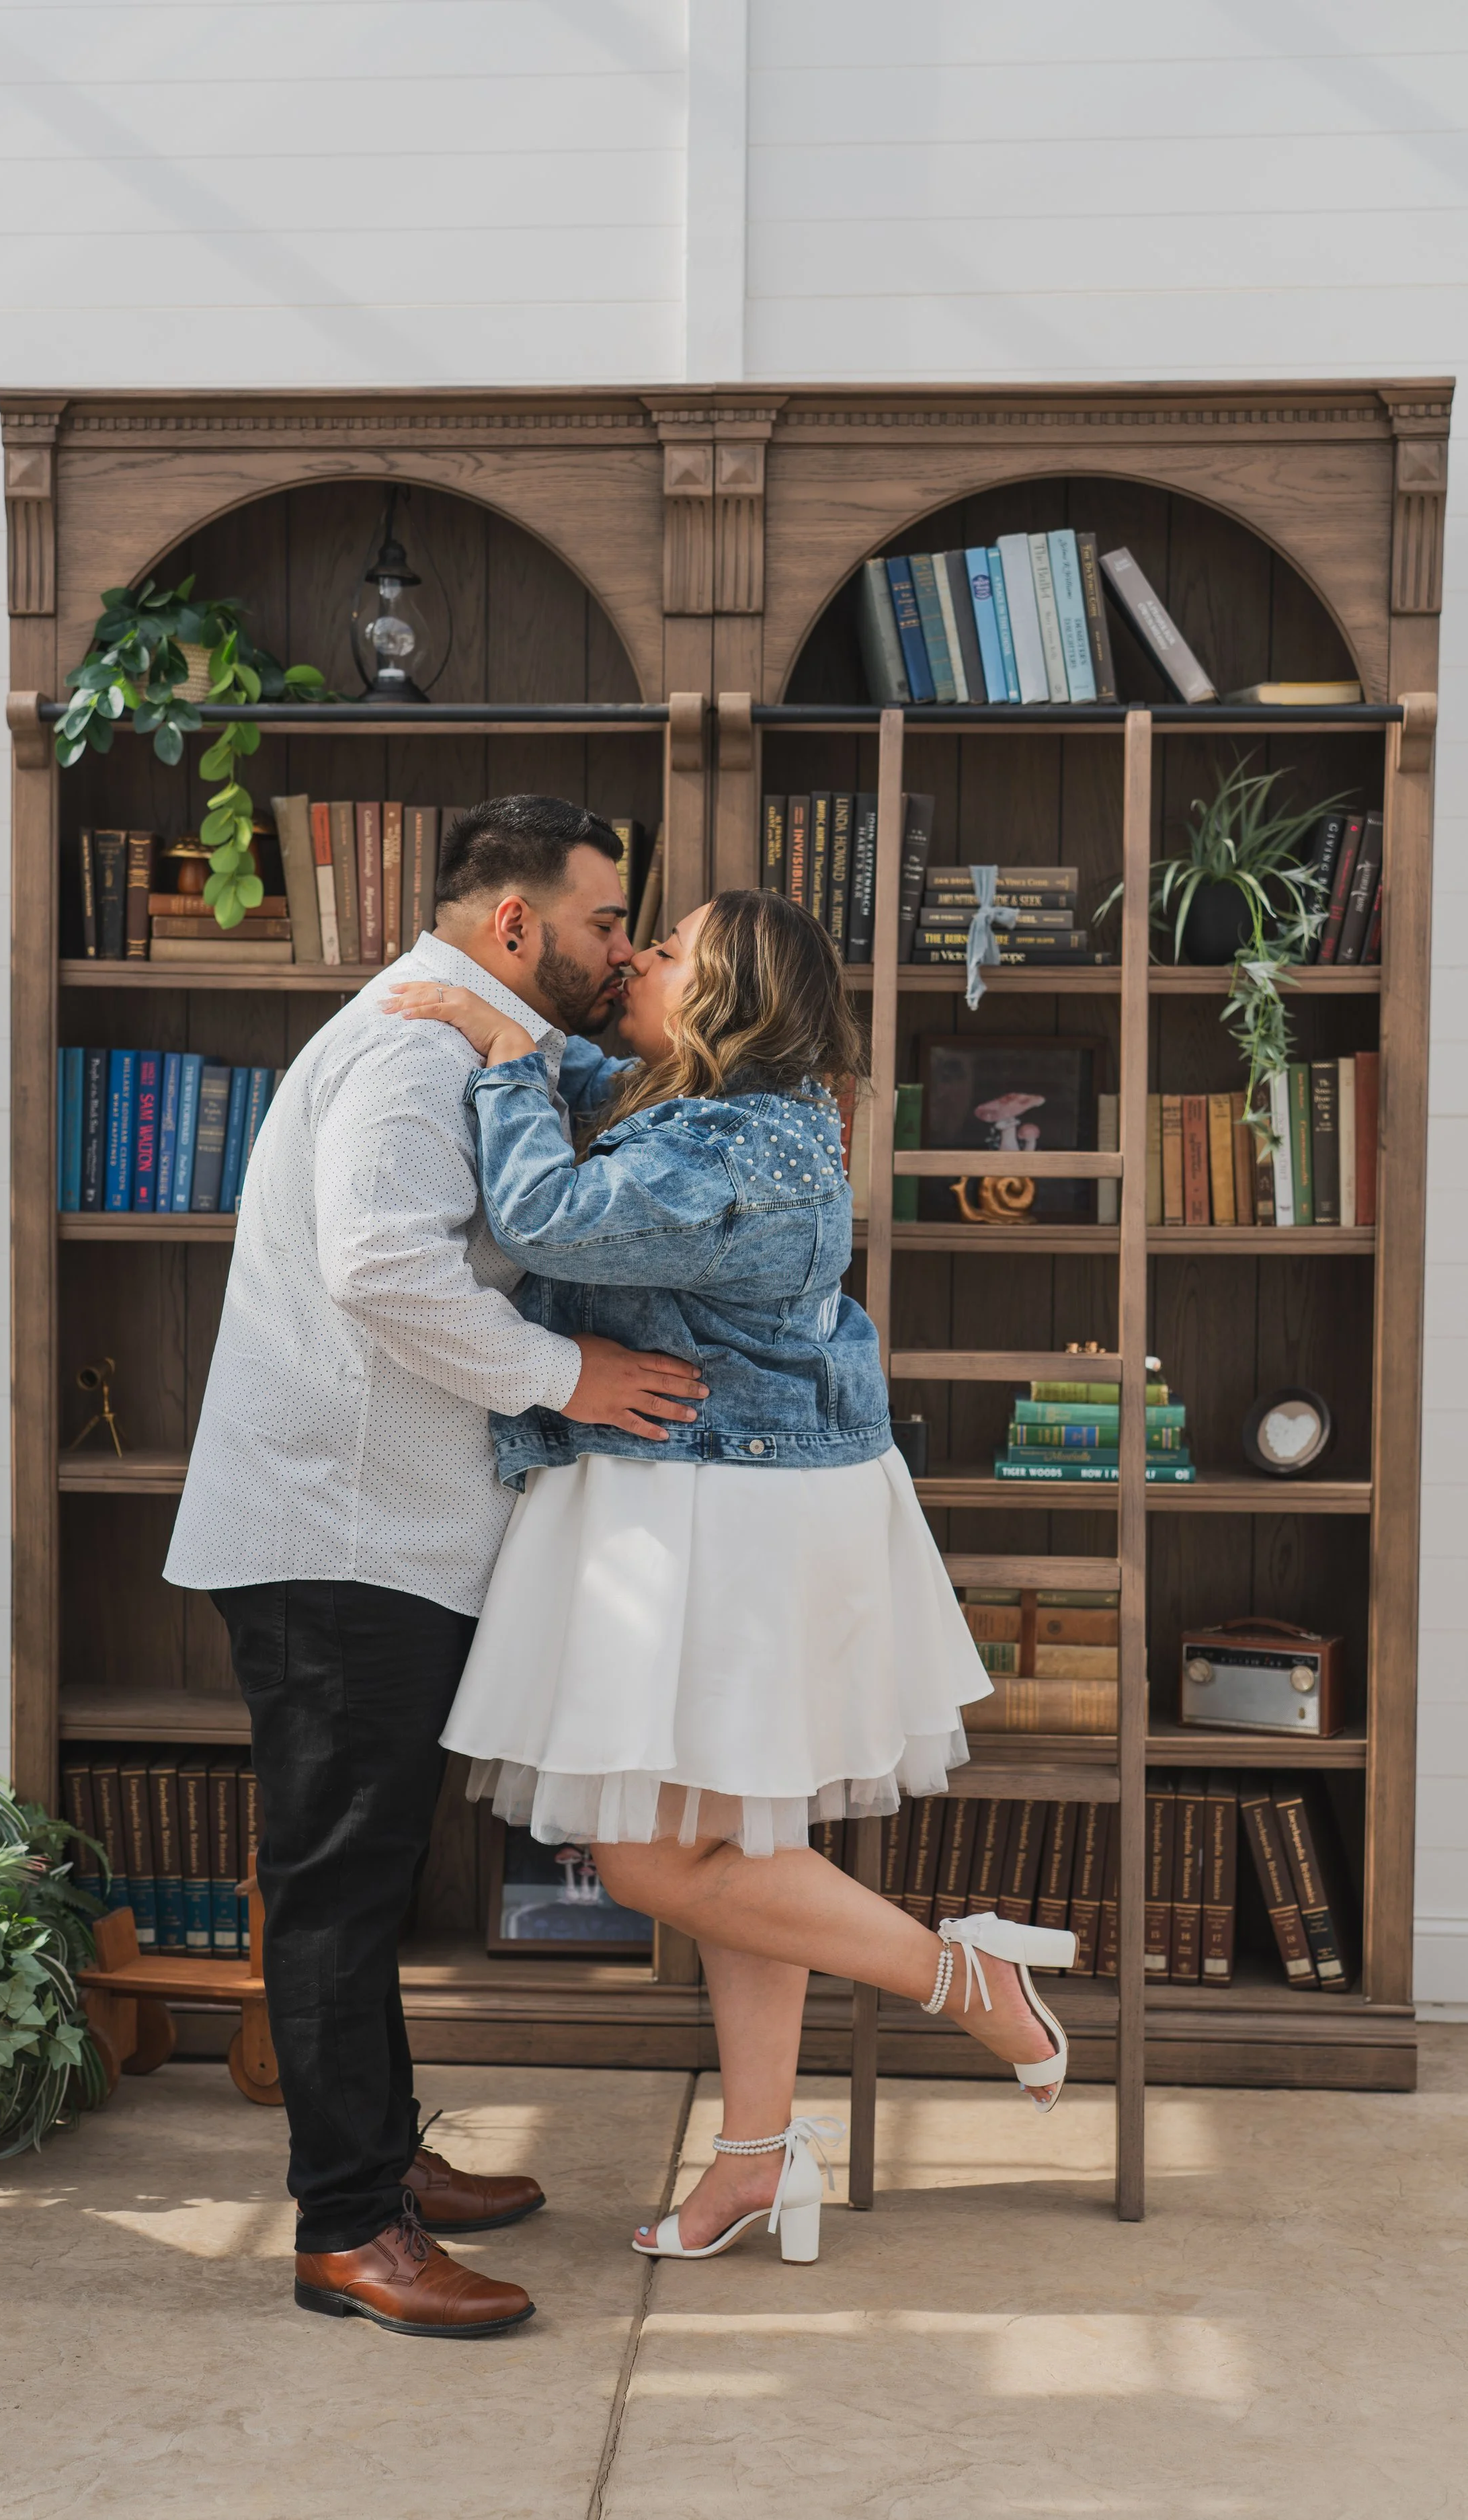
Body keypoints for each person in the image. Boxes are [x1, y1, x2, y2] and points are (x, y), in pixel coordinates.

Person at [390, 888, 1075, 2267]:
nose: (635, 958)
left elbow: (546, 1216)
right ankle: (754, 2155)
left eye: (667, 950)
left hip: (732, 1509)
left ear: (728, 1000)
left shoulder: (746, 1139)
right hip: (708, 1494)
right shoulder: (710, 1103)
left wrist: (502, 1051)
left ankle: (959, 1973)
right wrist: (517, 1033)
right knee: (728, 1847)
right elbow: (596, 1088)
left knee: (651, 1856)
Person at [164, 797, 707, 2338]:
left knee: (369, 1868)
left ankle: (379, 2166)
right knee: (339, 1882)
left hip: (371, 1530)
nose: (622, 950)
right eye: (609, 922)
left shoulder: (462, 1030)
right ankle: (347, 2229)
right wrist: (566, 1374)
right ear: (516, 921)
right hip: (335, 1537)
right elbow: (380, 1263)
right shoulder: (410, 1048)